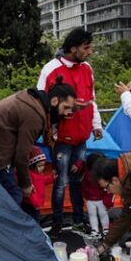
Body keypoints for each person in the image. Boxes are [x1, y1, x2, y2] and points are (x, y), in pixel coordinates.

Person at [37, 28, 104, 236]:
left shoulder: (87, 68)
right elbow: (40, 104)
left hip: (82, 138)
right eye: (86, 48)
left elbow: (92, 98)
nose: (90, 52)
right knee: (61, 182)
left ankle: (77, 220)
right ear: (73, 48)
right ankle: (57, 224)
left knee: (77, 180)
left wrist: (97, 124)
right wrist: (63, 115)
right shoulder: (51, 70)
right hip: (61, 140)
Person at [0, 83, 76, 205]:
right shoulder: (35, 116)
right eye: (66, 107)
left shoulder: (35, 101)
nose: (67, 113)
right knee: (14, 194)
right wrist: (26, 185)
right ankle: (3, 223)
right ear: (54, 101)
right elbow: (22, 156)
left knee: (2, 189)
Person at [73, 153, 111, 238]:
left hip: (101, 199)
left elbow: (109, 189)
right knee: (92, 214)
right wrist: (77, 164)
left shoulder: (104, 172)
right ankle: (95, 230)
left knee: (103, 214)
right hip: (90, 199)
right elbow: (81, 164)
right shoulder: (87, 168)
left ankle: (106, 229)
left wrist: (108, 202)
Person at [21, 146, 55, 222]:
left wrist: (52, 177)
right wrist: (35, 204)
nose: (42, 168)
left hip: (37, 204)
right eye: (39, 166)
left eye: (43, 165)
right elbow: (32, 192)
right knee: (33, 220)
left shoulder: (39, 174)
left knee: (34, 219)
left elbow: (44, 180)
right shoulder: (30, 175)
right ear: (32, 165)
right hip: (31, 204)